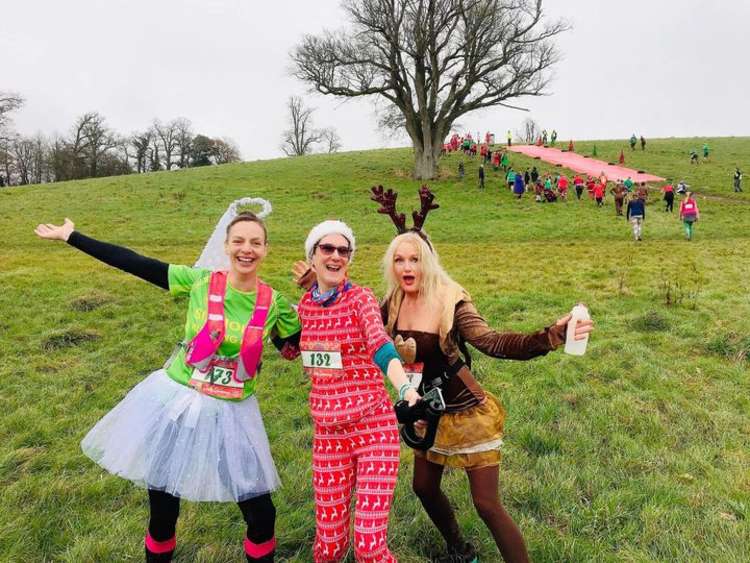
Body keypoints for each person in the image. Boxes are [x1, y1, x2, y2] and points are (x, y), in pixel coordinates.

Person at [34, 202, 303, 563]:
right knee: (162, 512)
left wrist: (316, 295)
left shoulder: (275, 304)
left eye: (255, 242)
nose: (246, 249)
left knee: (261, 513)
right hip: (179, 402)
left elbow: (296, 345)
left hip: (234, 413)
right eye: (238, 241)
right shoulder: (199, 282)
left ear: (266, 250)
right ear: (226, 246)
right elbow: (135, 262)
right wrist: (72, 236)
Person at [373, 189, 593, 563]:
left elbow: (492, 342)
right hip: (426, 414)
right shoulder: (391, 303)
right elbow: (362, 334)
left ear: (428, 261)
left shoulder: (450, 300)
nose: (407, 268)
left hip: (466, 412)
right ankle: (461, 551)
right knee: (424, 488)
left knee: (487, 504)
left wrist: (551, 335)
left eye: (414, 259)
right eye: (399, 260)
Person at [295, 217, 420, 563]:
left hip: (373, 429)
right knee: (329, 547)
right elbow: (290, 349)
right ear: (313, 255)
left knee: (368, 547)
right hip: (328, 434)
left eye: (343, 250)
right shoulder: (305, 308)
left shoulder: (360, 298)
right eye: (327, 248)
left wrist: (405, 388)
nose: (336, 256)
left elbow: (380, 345)